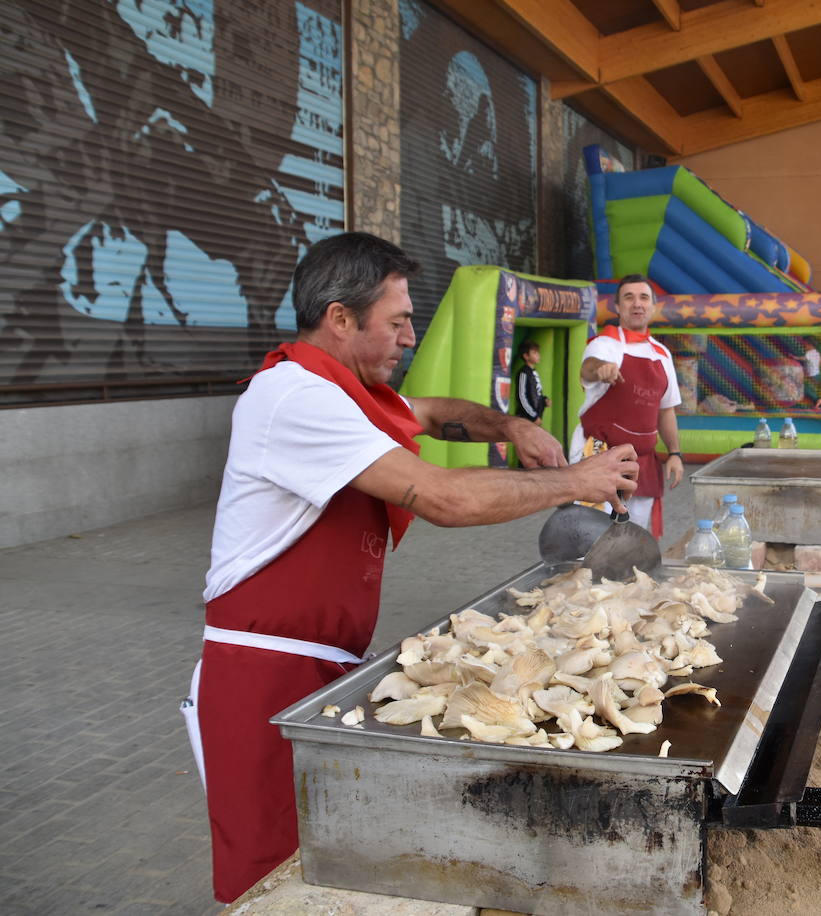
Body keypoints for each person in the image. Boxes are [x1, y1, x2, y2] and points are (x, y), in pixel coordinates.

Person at [186, 232, 641, 903]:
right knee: (276, 878)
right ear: (340, 318)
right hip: (262, 676)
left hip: (323, 668)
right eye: (396, 322)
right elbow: (446, 497)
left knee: (330, 859)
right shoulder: (294, 397)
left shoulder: (351, 393)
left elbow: (430, 413)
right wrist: (578, 478)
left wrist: (509, 428)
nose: (408, 337)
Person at [571, 274, 684, 537]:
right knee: (590, 536)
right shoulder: (605, 344)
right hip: (599, 455)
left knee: (632, 537)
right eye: (629, 297)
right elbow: (588, 368)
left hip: (643, 461)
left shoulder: (662, 354)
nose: (637, 304)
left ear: (653, 307)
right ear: (617, 306)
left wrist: (675, 453)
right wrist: (601, 369)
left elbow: (666, 410)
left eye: (644, 297)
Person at [514, 339, 549, 423]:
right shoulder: (523, 373)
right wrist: (533, 416)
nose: (538, 355)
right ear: (526, 356)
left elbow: (536, 393)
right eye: (534, 353)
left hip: (535, 419)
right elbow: (521, 397)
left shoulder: (534, 372)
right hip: (526, 419)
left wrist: (545, 400)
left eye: (538, 352)